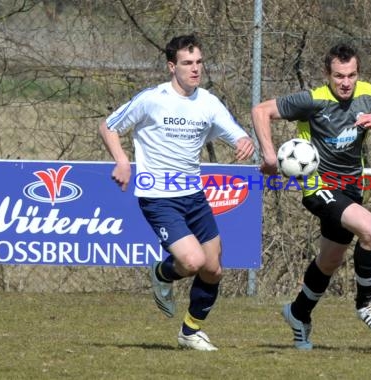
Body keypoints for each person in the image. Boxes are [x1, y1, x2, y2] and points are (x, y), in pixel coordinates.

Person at [251, 42, 371, 350]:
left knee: (329, 261)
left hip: (351, 188)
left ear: (358, 74)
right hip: (318, 186)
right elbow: (261, 110)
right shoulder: (313, 100)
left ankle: (298, 313)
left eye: (351, 75)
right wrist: (270, 156)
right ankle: (366, 303)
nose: (345, 82)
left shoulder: (369, 98)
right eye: (339, 76)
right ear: (327, 74)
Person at [99, 34, 255, 351]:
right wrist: (122, 160)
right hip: (158, 197)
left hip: (194, 197)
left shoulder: (208, 102)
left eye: (198, 62)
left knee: (213, 268)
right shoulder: (152, 99)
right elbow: (109, 126)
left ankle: (190, 331)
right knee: (194, 261)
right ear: (172, 67)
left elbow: (236, 133)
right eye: (187, 63)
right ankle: (163, 272)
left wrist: (244, 142)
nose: (195, 69)